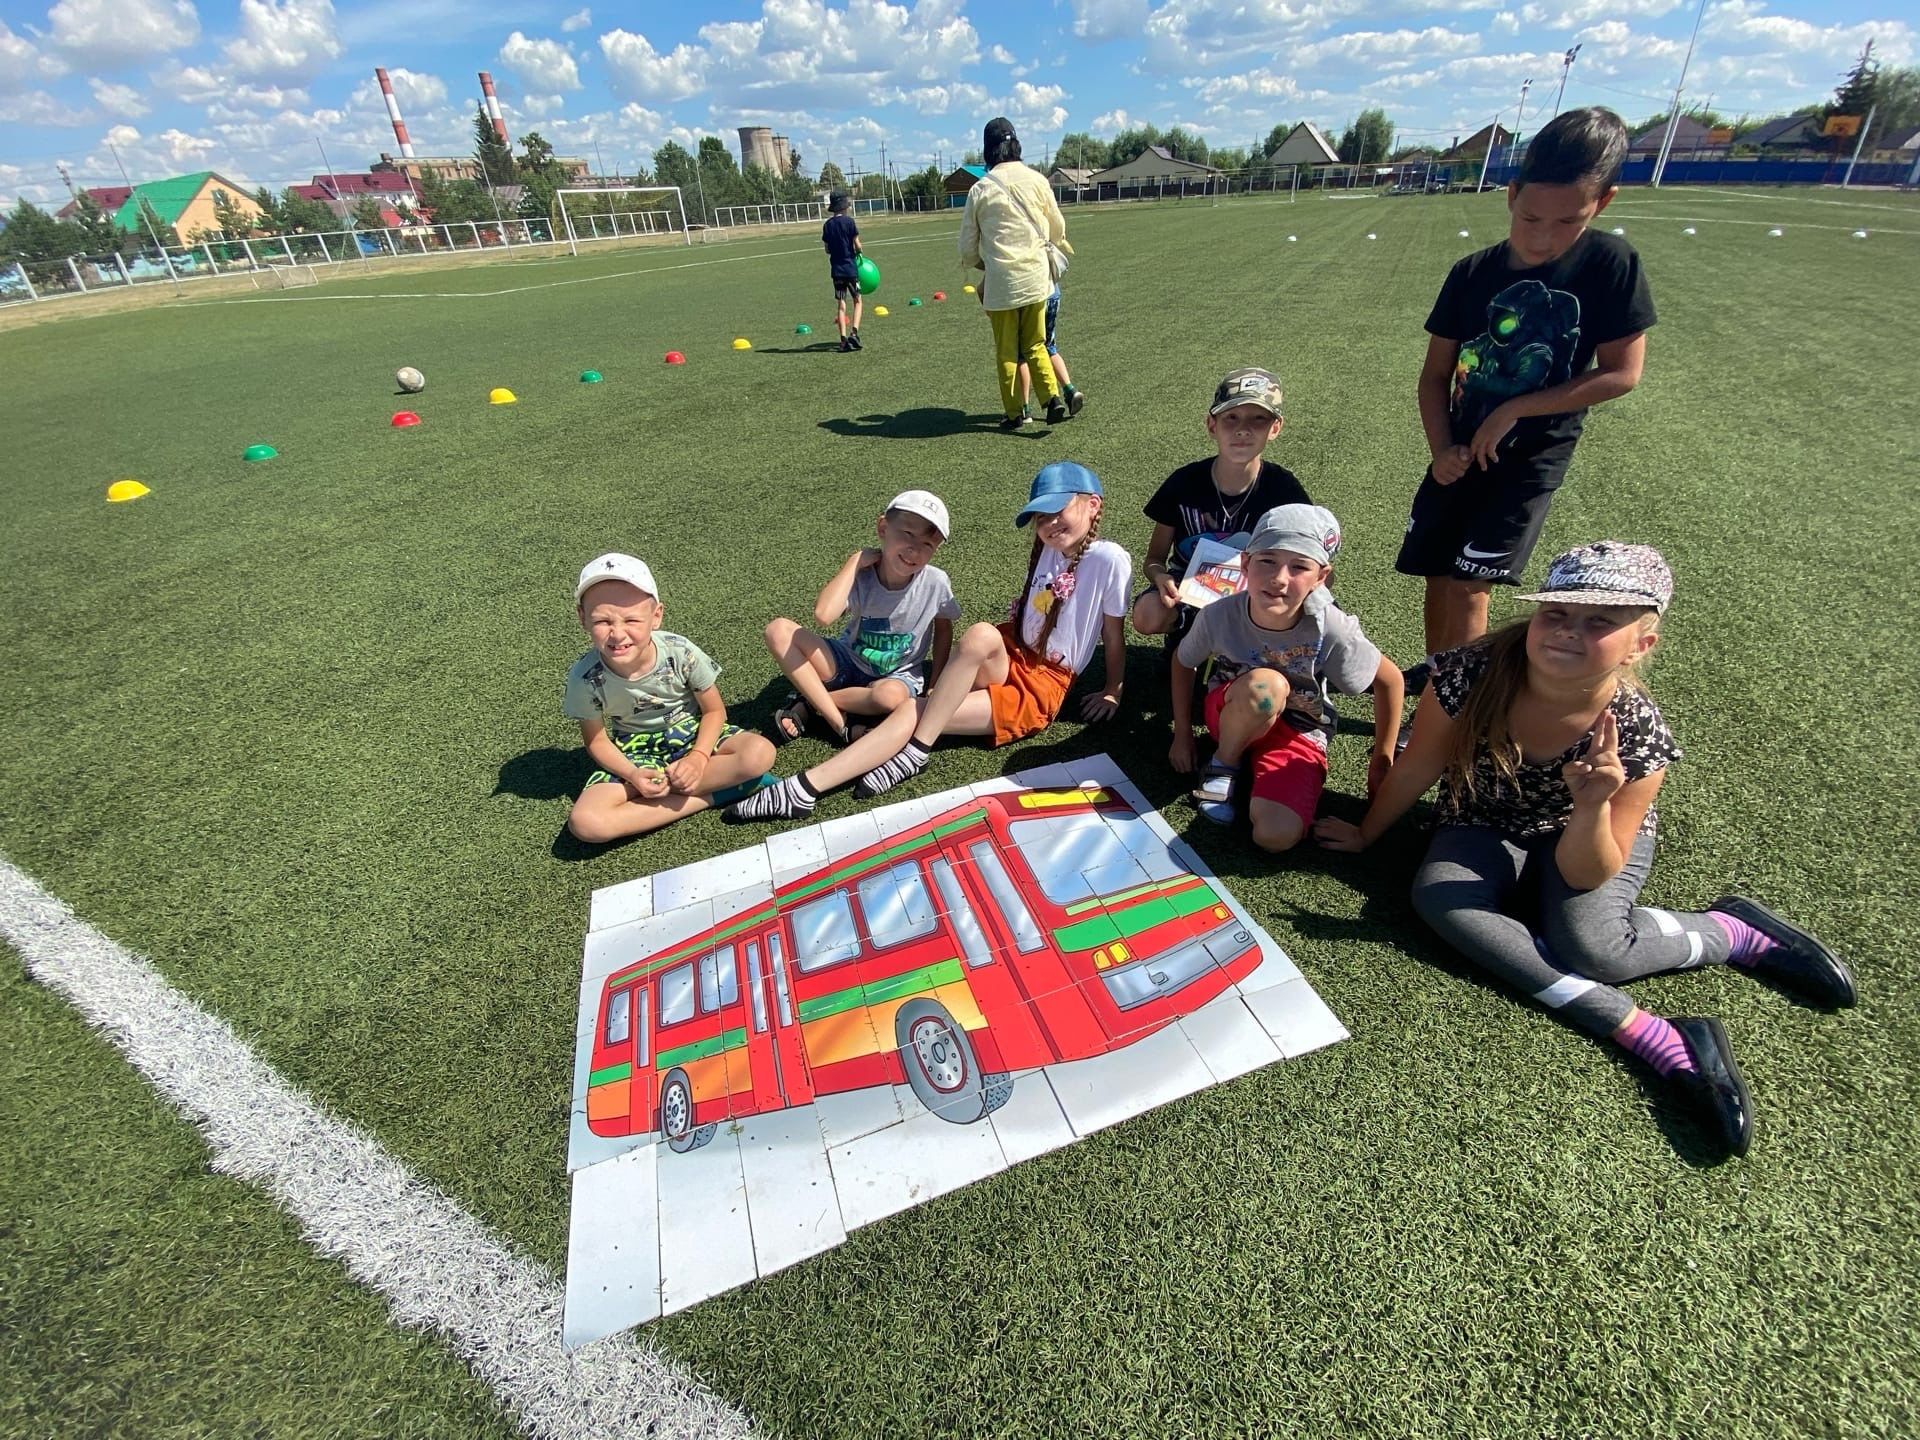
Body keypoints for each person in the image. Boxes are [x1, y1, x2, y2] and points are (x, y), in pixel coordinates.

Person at [1316, 543, 1856, 1159]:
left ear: (1641, 644)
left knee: (1594, 947)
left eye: (1600, 621)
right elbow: (1421, 766)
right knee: (1440, 899)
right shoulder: (1471, 670)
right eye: (1557, 614)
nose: (1569, 632)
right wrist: (1365, 832)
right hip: (1484, 815)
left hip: (1587, 834)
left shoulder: (1639, 733)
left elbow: (1587, 868)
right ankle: (1643, 1031)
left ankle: (1731, 932)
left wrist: (1595, 802)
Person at [1398, 107, 1656, 679]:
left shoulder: (1611, 264)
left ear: (1603, 202)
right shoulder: (1471, 273)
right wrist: (1442, 448)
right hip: (1457, 451)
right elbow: (1434, 375)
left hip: (1528, 462)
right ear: (1511, 194)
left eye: (1567, 222)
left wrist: (1516, 408)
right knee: (1440, 575)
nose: (1543, 238)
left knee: (1471, 584)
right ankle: (1445, 672)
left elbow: (1622, 373)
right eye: (1531, 217)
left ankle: (1459, 710)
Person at [726, 462, 1130, 820]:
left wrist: (1113, 689)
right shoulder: (1047, 546)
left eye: (1057, 511)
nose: (1049, 524)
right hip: (1010, 652)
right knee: (981, 634)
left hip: (1043, 683)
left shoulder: (1109, 558)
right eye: (1040, 517)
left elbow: (1113, 632)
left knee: (913, 711)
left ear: (1093, 504)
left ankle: (806, 788)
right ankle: (892, 737)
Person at [1172, 504, 1403, 851]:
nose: (1280, 578)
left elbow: (1390, 680)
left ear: (1321, 577)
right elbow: (1182, 661)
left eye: (1299, 567)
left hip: (1300, 727)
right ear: (1246, 564)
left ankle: (1258, 772)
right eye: (1267, 560)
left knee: (1275, 837)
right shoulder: (1219, 614)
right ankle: (1226, 761)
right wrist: (1183, 734)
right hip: (1234, 710)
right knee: (1267, 686)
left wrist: (1381, 760)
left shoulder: (1332, 627)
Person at [563, 553, 776, 843]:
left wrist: (699, 758)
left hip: (693, 733)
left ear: (656, 616)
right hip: (634, 751)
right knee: (586, 823)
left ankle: (677, 791)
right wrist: (633, 773)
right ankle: (717, 794)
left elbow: (714, 712)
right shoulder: (583, 677)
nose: (617, 633)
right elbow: (596, 741)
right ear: (582, 618)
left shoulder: (679, 651)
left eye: (631, 619)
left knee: (760, 753)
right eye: (602, 620)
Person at [763, 489, 960, 746]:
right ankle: (842, 725)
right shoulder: (863, 575)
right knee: (778, 630)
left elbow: (943, 628)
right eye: (908, 534)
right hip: (848, 661)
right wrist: (854, 562)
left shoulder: (935, 582)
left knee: (889, 698)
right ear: (883, 528)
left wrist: (935, 683)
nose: (914, 550)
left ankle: (812, 702)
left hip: (898, 674)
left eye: (927, 544)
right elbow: (823, 615)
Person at [1132, 368, 1311, 641]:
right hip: (1191, 589)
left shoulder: (1284, 490)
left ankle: (1268, 650)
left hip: (1257, 593)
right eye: (1231, 418)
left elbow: (1312, 565)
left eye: (1259, 419)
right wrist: (1160, 578)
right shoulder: (1184, 482)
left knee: (1314, 603)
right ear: (1212, 425)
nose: (1243, 430)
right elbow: (1154, 559)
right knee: (1148, 613)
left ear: (1275, 427)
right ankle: (1189, 635)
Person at [958, 116, 1076, 430]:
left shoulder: (980, 190)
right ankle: (1051, 399)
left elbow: (967, 249)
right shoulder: (1038, 180)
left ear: (987, 150)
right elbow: (1058, 228)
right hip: (1037, 279)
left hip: (1001, 285)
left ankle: (1015, 413)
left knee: (1007, 351)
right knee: (1037, 343)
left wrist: (987, 264)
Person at [1016, 283, 1086, 417]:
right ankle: (1070, 390)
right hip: (1052, 293)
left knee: (1022, 353)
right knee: (1049, 347)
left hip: (1032, 298)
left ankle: (1025, 408)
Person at [821, 191, 864, 352]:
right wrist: (859, 252)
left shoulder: (827, 225)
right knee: (858, 300)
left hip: (836, 271)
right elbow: (858, 245)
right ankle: (854, 333)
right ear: (845, 207)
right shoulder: (849, 222)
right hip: (850, 269)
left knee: (841, 304)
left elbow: (827, 250)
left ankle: (843, 340)